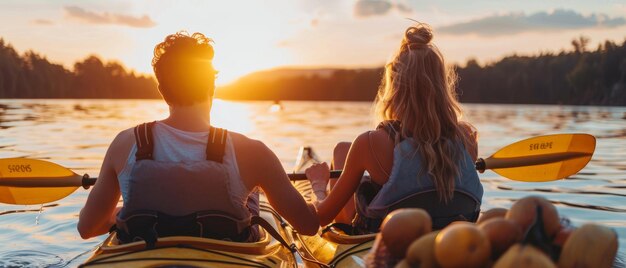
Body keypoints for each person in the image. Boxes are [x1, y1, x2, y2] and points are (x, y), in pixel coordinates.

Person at [78, 32, 319, 242]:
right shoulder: (252, 152)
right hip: (229, 253)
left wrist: (123, 213)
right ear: (212, 86)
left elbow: (87, 228)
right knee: (251, 195)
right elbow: (308, 226)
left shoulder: (125, 144)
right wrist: (319, 190)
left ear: (162, 90)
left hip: (146, 255)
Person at [305, 23, 483, 233]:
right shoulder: (467, 137)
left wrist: (318, 186)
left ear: (395, 86)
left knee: (344, 151)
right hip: (449, 242)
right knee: (343, 149)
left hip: (383, 245)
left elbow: (322, 218)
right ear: (441, 85)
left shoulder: (370, 143)